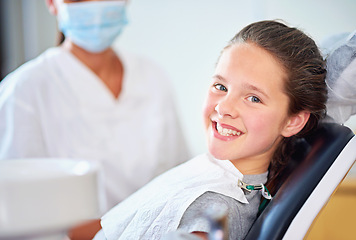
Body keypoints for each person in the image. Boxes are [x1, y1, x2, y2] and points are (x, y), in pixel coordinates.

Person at [93, 20, 328, 240]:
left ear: (293, 121)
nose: (223, 106)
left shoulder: (218, 209)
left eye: (254, 98)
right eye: (220, 86)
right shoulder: (211, 171)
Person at [0, 0, 189, 238]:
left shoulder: (152, 76)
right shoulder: (23, 91)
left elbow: (180, 176)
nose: (95, 5)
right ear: (52, 3)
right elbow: (18, 214)